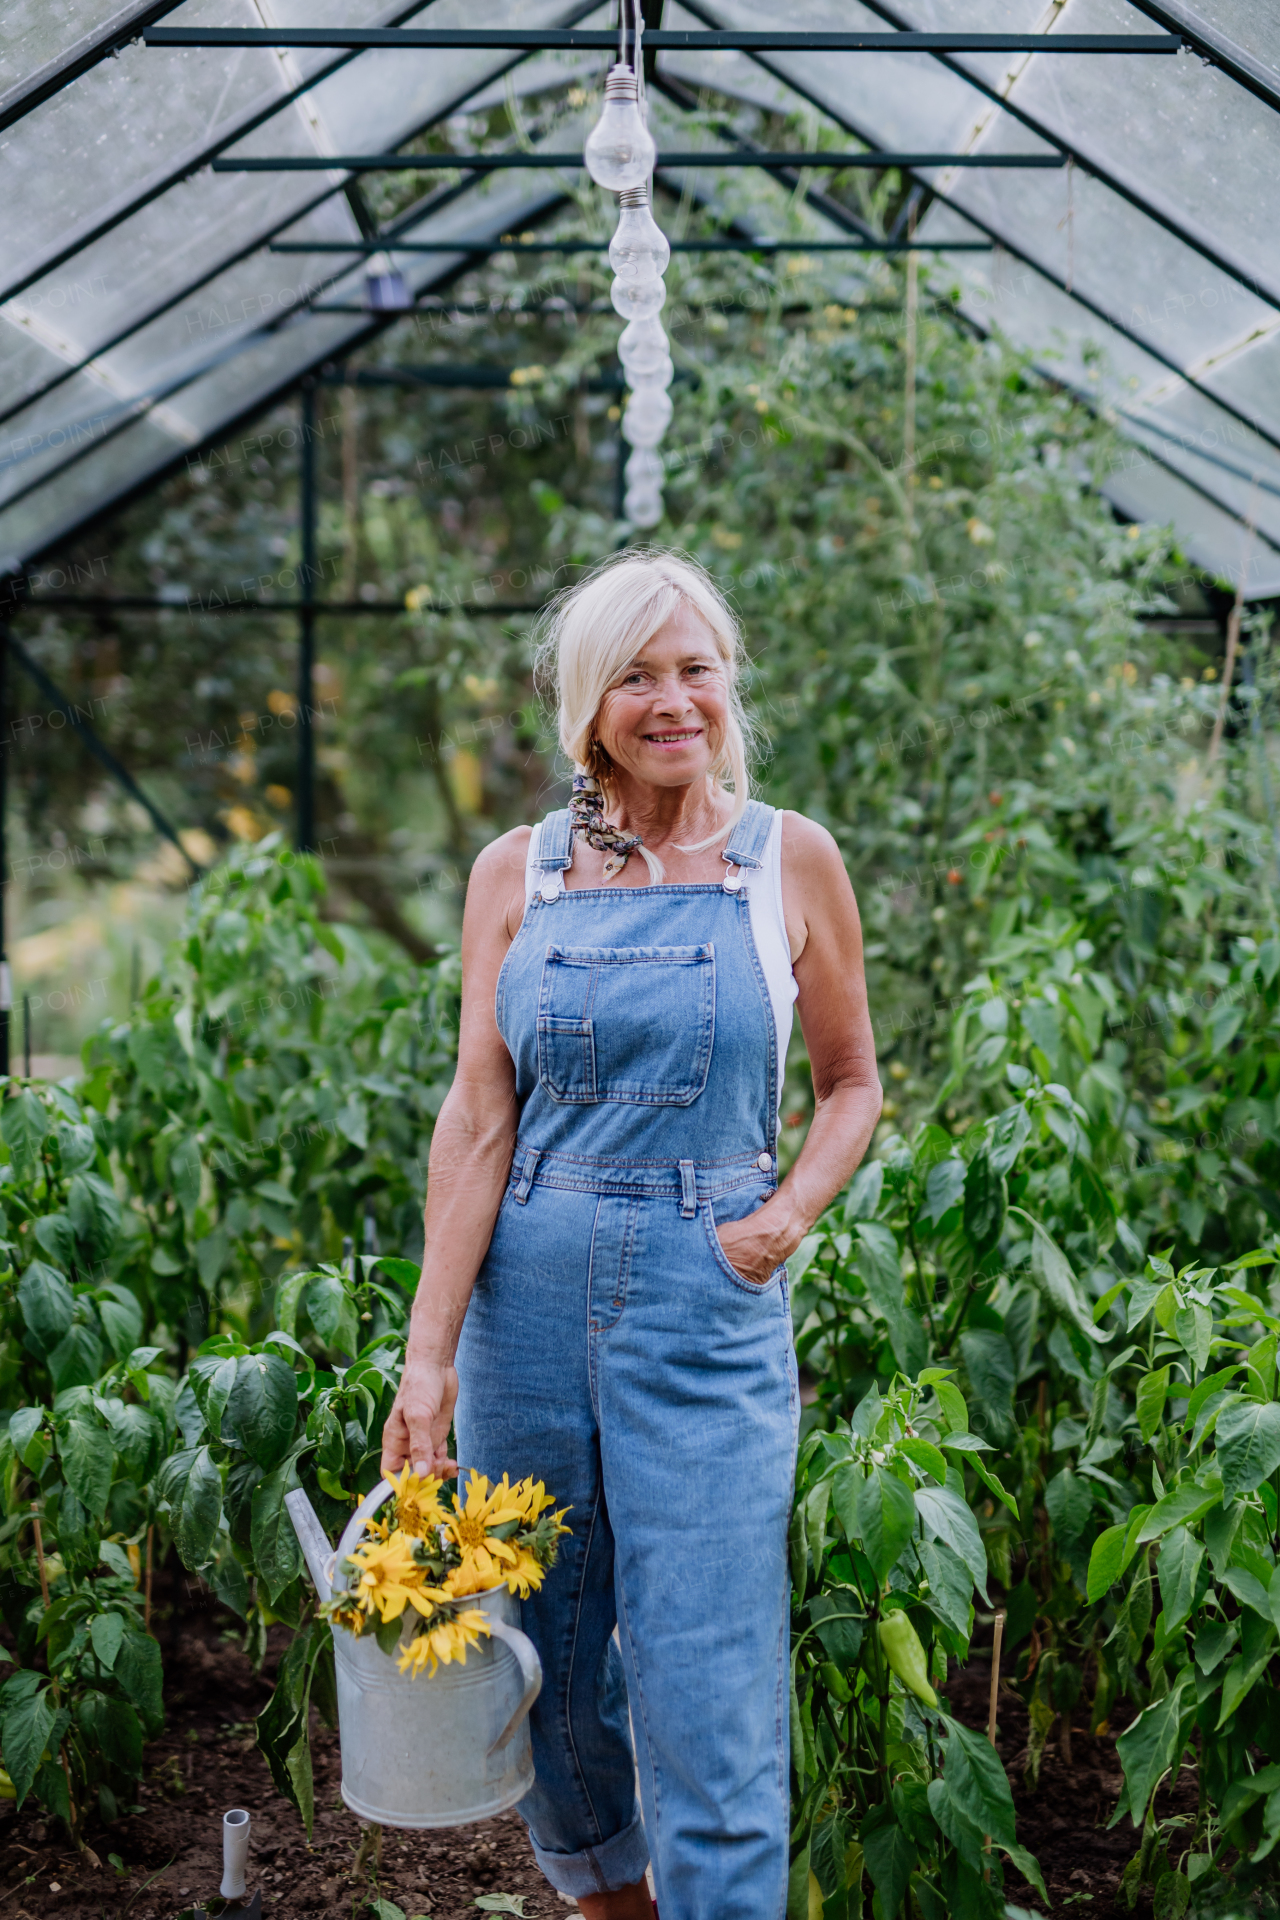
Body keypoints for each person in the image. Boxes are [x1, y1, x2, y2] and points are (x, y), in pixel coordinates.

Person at [381, 548, 881, 1920]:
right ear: (588, 706)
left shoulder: (788, 859)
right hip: (525, 1298)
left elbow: (853, 1083)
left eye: (696, 669)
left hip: (702, 1291)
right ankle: (612, 1901)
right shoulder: (516, 874)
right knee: (529, 1652)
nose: (674, 701)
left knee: (708, 1673)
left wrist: (776, 1225)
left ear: (728, 686)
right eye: (638, 677)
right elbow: (480, 1121)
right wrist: (429, 1364)